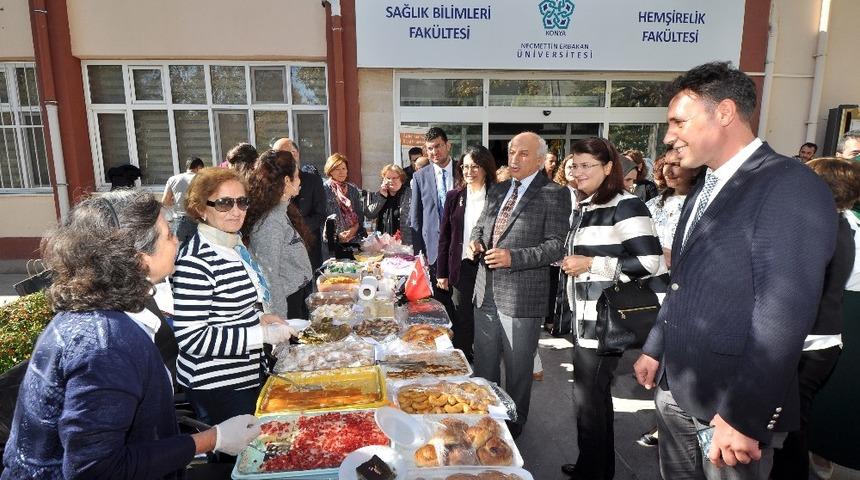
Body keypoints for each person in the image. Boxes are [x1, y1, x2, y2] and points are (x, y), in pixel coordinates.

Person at [633, 61, 837, 480]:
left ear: (724, 112)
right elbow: (683, 282)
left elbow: (783, 313)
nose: (669, 135)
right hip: (678, 390)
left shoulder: (789, 186)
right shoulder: (705, 185)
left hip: (730, 409)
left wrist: (745, 416)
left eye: (678, 121)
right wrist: (656, 346)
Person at [1, 189, 261, 479]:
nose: (177, 240)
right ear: (139, 260)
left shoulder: (109, 313)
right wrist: (213, 439)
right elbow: (96, 470)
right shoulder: (104, 344)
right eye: (168, 235)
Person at [558, 138, 663, 479]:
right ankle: (594, 465)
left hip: (605, 320)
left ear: (608, 168)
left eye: (587, 164)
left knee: (589, 401)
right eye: (574, 164)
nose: (578, 171)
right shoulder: (586, 205)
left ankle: (594, 470)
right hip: (585, 317)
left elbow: (650, 261)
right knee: (592, 400)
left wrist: (591, 262)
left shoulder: (626, 204)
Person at [172, 168, 296, 440]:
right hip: (217, 384)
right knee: (241, 456)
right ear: (201, 209)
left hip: (246, 374)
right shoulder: (197, 261)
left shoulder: (232, 245)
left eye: (242, 202)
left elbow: (234, 309)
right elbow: (192, 338)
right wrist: (260, 334)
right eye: (224, 203)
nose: (236, 211)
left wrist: (261, 319)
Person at [468, 131, 571, 438]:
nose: (514, 158)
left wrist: (514, 257)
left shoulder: (554, 193)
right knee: (484, 365)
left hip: (522, 296)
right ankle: (486, 421)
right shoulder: (498, 190)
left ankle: (513, 427)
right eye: (511, 152)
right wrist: (476, 240)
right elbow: (482, 225)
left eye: (523, 154)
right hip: (485, 290)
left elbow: (556, 246)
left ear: (540, 159)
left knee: (518, 370)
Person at [771, 157, 859, 479]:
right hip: (820, 341)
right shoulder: (841, 226)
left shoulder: (822, 230)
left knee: (792, 427)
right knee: (793, 424)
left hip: (810, 344)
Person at [437, 145, 497, 361]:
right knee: (462, 317)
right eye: (465, 166)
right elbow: (444, 237)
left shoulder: (497, 197)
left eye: (475, 166)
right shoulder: (454, 197)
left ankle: (485, 356)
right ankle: (462, 360)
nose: (469, 171)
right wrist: (441, 273)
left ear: (486, 168)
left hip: (489, 266)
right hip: (461, 266)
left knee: (486, 315)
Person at [243, 149, 314, 320]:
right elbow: (269, 277)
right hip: (286, 305)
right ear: (286, 181)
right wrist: (279, 326)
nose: (300, 180)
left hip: (296, 297)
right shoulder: (270, 222)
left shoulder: (281, 210)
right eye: (297, 176)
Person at [272, 137, 328, 271]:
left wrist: (297, 228)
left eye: (281, 153)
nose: (276, 158)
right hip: (280, 254)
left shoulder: (312, 181)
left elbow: (320, 214)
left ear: (295, 154)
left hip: (308, 247)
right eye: (274, 154)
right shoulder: (270, 182)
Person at [410, 127, 463, 269]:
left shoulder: (464, 171)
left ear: (448, 145)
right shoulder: (420, 177)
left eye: (438, 146)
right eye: (430, 148)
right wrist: (419, 256)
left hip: (461, 248)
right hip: (433, 252)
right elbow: (415, 219)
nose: (434, 152)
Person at [646, 148, 703, 268]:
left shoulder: (703, 205)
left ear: (695, 169)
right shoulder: (652, 205)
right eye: (666, 163)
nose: (667, 171)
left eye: (676, 165)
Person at [323, 153, 365, 245]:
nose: (341, 172)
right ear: (330, 171)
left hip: (353, 240)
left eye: (343, 168)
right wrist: (336, 236)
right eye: (337, 169)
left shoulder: (353, 189)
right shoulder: (324, 189)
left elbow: (359, 214)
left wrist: (353, 230)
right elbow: (321, 218)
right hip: (332, 243)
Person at [163, 155, 205, 244]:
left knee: (177, 252)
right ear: (199, 168)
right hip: (196, 220)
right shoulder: (202, 180)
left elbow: (165, 202)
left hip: (179, 221)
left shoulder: (173, 179)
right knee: (196, 251)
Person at [367, 164, 412, 244]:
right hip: (383, 243)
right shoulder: (380, 194)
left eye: (395, 178)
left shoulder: (410, 194)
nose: (391, 181)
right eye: (388, 178)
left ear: (401, 178)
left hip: (405, 244)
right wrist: (382, 197)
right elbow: (369, 214)